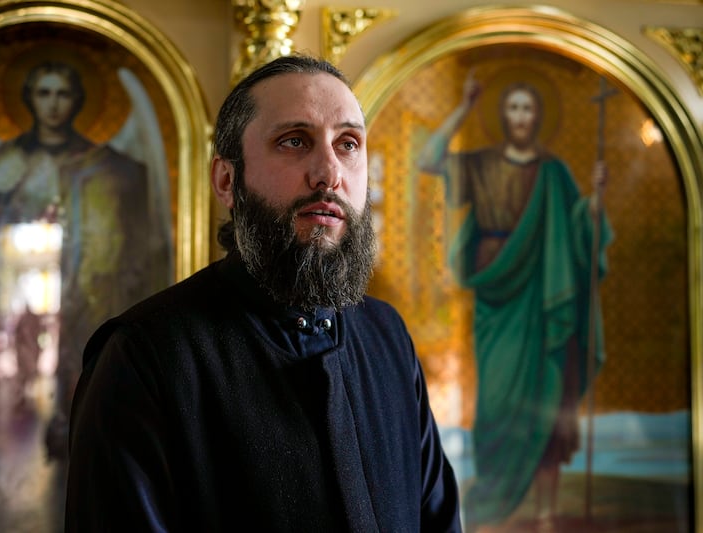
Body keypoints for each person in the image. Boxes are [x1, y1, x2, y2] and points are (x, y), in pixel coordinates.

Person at [65, 54, 462, 532]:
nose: (328, 173)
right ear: (227, 181)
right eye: (294, 142)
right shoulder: (143, 356)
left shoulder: (387, 336)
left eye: (348, 144)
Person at [0, 59, 171, 476]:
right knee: (15, 441)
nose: (53, 105)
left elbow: (136, 253)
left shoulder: (107, 168)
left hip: (88, 322)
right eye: (44, 93)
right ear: (29, 100)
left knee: (92, 436)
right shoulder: (1, 165)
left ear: (77, 100)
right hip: (16, 322)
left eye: (62, 93)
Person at [417, 71, 613, 529]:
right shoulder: (482, 164)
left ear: (539, 115)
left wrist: (597, 201)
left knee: (546, 402)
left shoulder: (554, 172)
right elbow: (429, 158)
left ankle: (544, 515)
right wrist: (464, 107)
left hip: (543, 296)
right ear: (503, 115)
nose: (521, 117)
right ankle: (492, 512)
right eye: (513, 108)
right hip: (496, 295)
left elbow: (579, 230)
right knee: (497, 407)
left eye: (528, 108)